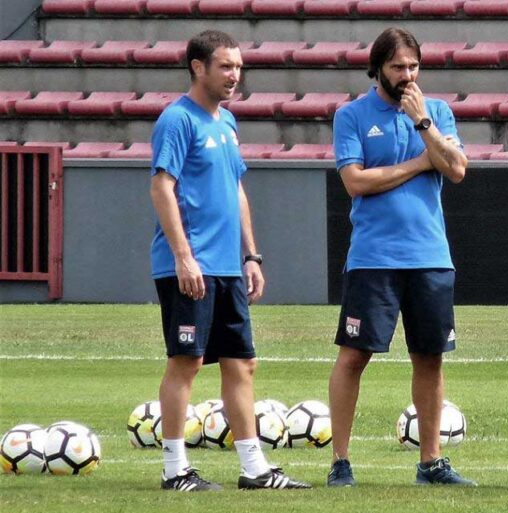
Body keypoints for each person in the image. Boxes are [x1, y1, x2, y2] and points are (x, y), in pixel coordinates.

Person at [149, 30, 310, 492]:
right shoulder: (177, 121)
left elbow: (237, 189)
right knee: (188, 362)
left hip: (226, 267)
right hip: (191, 267)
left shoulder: (228, 123)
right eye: (225, 66)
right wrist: (183, 256)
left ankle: (255, 469)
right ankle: (175, 470)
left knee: (242, 364)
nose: (234, 74)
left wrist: (251, 255)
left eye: (238, 66)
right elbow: (161, 187)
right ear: (198, 67)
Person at [326, 27, 476, 488]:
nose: (407, 76)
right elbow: (355, 182)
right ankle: (341, 462)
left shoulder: (438, 112)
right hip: (374, 257)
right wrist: (417, 164)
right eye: (398, 67)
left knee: (430, 358)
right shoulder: (351, 116)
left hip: (430, 255)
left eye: (413, 66)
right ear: (378, 69)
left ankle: (431, 463)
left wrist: (424, 124)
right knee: (354, 357)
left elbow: (456, 170)